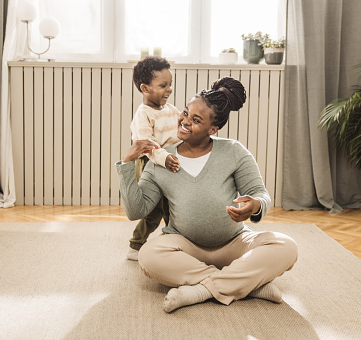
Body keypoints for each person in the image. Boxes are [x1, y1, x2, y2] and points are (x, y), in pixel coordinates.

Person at [116, 77, 298, 313]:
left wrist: (254, 205)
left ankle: (201, 290)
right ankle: (250, 287)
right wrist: (127, 164)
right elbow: (136, 211)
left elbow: (259, 193)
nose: (184, 121)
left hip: (234, 243)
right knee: (149, 255)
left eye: (196, 120)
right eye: (185, 113)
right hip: (184, 246)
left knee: (286, 246)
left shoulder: (233, 151)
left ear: (213, 129)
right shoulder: (160, 160)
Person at [126, 56, 181, 261]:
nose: (169, 89)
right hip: (151, 163)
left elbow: (182, 127)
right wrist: (164, 157)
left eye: (170, 85)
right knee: (154, 209)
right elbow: (147, 145)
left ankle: (174, 240)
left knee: (172, 205)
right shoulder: (143, 114)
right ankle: (136, 245)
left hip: (169, 162)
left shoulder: (170, 109)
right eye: (163, 85)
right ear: (145, 88)